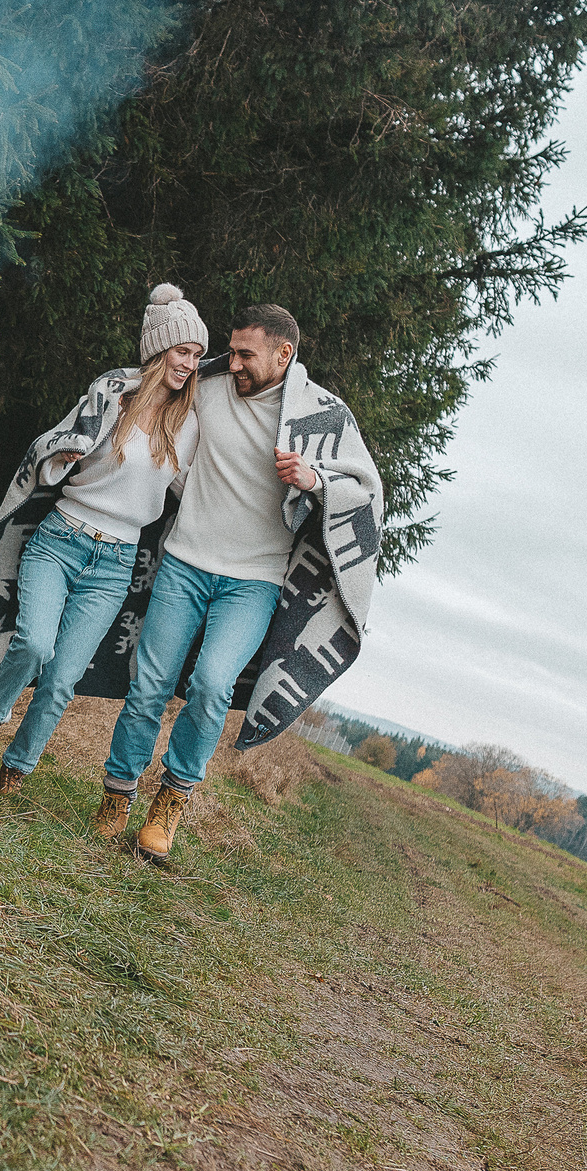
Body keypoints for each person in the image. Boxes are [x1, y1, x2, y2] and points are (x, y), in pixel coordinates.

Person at [94, 304, 386, 860]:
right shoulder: (207, 387)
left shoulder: (321, 417)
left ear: (284, 354)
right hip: (183, 563)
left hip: (253, 582)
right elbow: (150, 394)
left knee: (210, 687)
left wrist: (316, 479)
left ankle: (171, 802)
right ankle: (117, 793)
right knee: (148, 687)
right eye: (230, 352)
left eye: (247, 354)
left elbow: (366, 492)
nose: (233, 364)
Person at [0, 285, 208, 791]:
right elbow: (53, 447)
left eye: (198, 356)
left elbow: (189, 492)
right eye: (183, 351)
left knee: (63, 680)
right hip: (61, 539)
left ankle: (18, 766)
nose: (190, 364)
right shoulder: (110, 393)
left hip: (116, 562)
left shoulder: (187, 426)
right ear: (159, 350)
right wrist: (59, 458)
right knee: (33, 644)